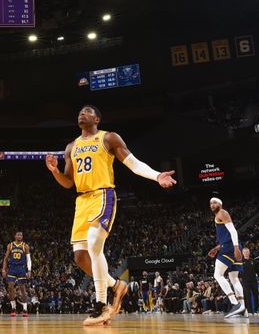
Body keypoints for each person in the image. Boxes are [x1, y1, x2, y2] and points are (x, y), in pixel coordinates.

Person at [45, 105, 177, 326]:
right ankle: (117, 285)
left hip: (103, 195)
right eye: (79, 112)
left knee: (94, 243)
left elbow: (133, 164)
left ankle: (100, 305)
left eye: (87, 111)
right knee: (80, 257)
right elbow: (69, 183)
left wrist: (156, 176)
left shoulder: (109, 138)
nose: (81, 114)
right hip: (82, 200)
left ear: (97, 118)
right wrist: (55, 171)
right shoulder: (71, 147)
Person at [206, 197, 246, 318]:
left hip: (230, 248)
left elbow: (233, 231)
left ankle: (235, 303)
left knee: (217, 275)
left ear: (220, 204)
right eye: (210, 203)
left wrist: (235, 247)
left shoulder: (222, 213)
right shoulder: (219, 215)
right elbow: (227, 235)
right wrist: (217, 248)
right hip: (229, 246)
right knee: (234, 278)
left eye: (214, 202)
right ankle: (243, 309)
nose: (212, 204)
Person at [1, 231, 31, 317]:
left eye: (21, 235)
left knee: (22, 288)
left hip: (21, 268)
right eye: (18, 235)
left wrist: (29, 270)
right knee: (10, 287)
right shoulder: (10, 245)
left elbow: (28, 259)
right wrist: (3, 269)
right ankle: (13, 308)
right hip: (12, 268)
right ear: (15, 236)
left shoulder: (25, 246)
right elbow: (6, 258)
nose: (19, 236)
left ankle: (25, 309)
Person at [241, 247, 259, 316]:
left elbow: (258, 272)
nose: (246, 253)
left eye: (247, 252)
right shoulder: (240, 262)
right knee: (247, 296)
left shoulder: (254, 261)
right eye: (245, 252)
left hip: (254, 281)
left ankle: (256, 310)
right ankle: (249, 311)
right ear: (242, 253)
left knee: (256, 296)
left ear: (249, 252)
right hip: (245, 282)